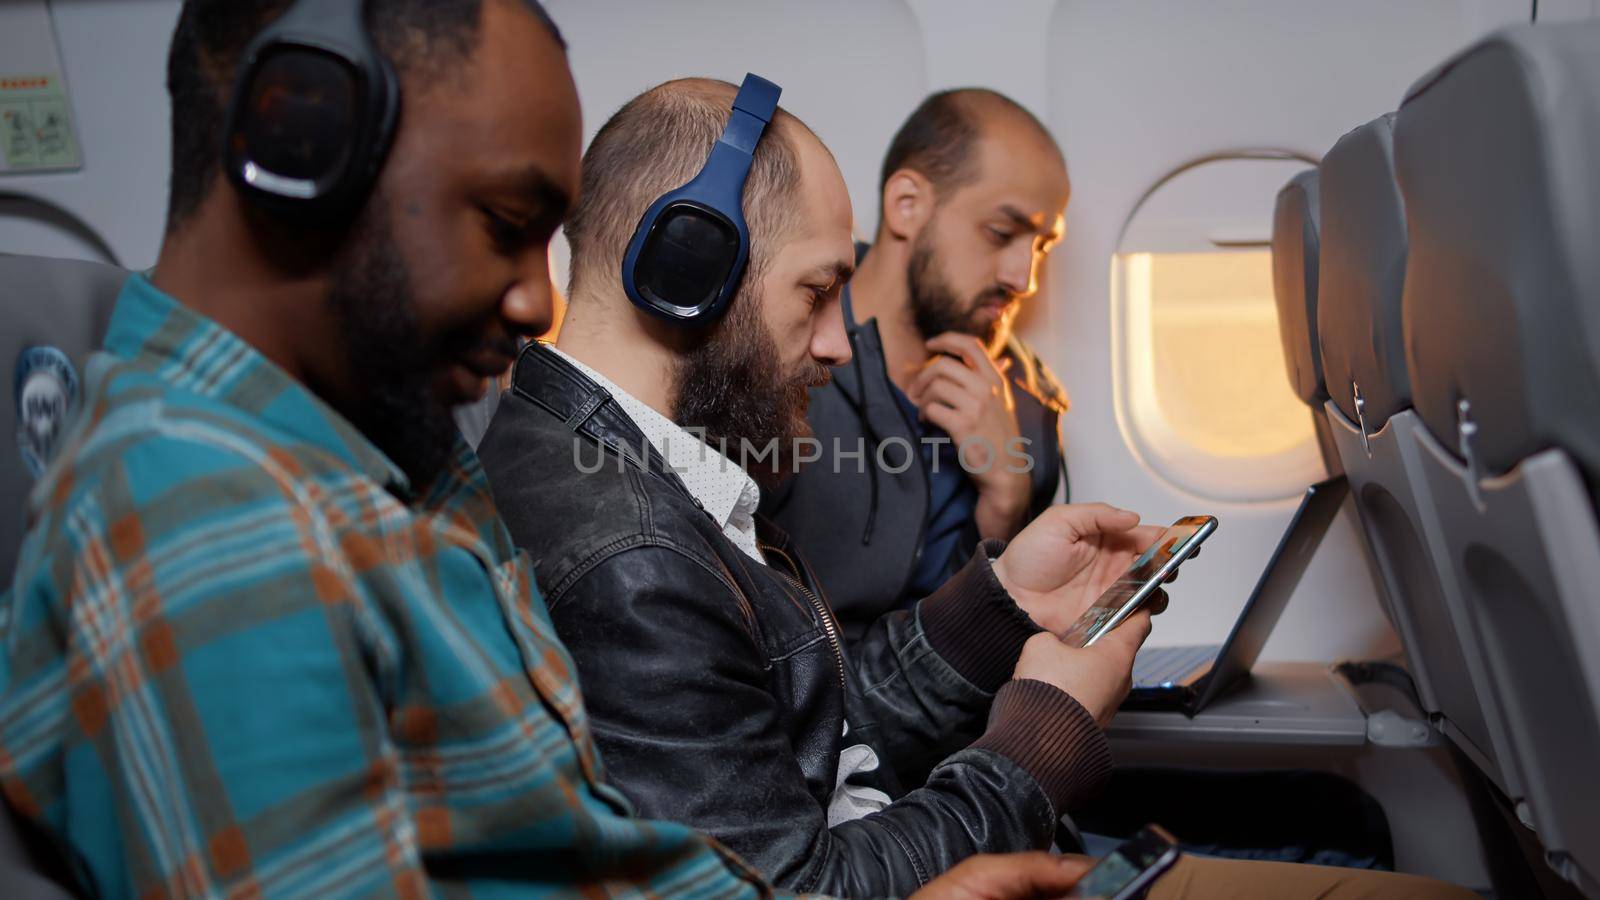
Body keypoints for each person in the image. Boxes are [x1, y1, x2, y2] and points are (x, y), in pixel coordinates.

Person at [0, 3, 1087, 898]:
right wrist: (1021, 758)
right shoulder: (208, 515)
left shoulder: (390, 480)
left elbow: (612, 846)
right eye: (502, 222)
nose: (536, 302)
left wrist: (984, 615)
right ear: (303, 146)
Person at [475, 78, 1476, 900]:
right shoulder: (629, 553)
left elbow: (825, 742)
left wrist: (996, 606)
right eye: (819, 293)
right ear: (685, 269)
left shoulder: (657, 469)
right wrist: (1040, 737)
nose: (835, 340)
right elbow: (802, 889)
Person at [761, 89, 1075, 644]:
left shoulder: (1029, 405)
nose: (1022, 278)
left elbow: (989, 645)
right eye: (1001, 234)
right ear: (908, 205)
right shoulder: (783, 362)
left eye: (1042, 248)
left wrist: (1006, 501)